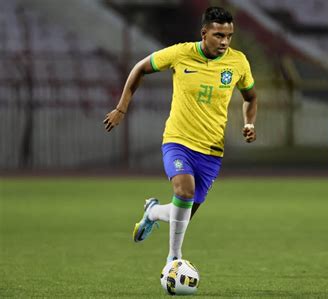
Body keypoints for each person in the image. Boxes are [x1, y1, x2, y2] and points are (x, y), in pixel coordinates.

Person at [103, 6, 257, 263]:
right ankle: (174, 260)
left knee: (182, 213)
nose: (225, 42)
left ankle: (152, 213)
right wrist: (121, 108)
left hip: (211, 151)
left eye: (229, 36)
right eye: (219, 35)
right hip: (178, 141)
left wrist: (249, 123)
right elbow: (140, 68)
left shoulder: (238, 62)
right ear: (204, 33)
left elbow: (250, 98)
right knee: (184, 192)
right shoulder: (180, 53)